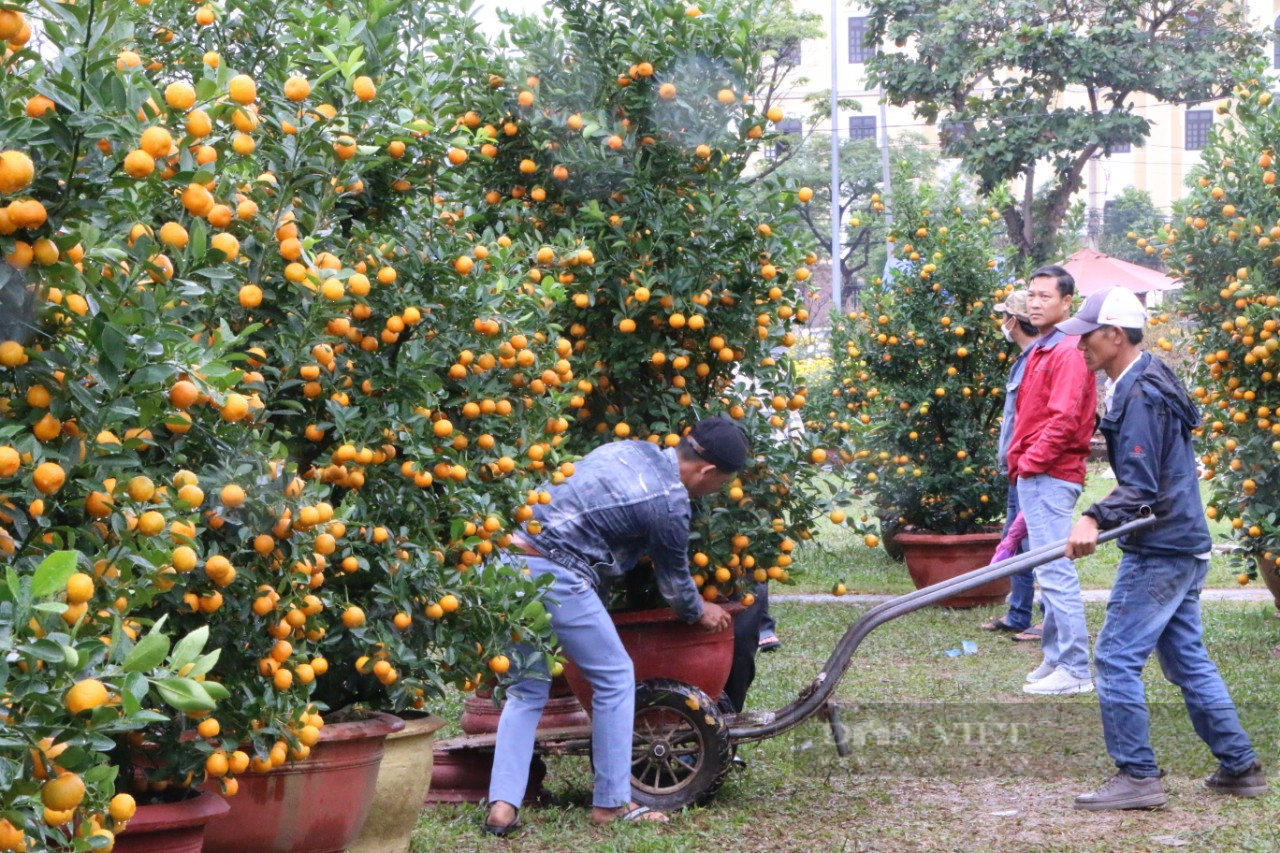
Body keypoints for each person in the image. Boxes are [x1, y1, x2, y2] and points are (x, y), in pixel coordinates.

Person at [482, 417, 746, 836]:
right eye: (720, 485)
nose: (714, 492)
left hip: (507, 561)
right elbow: (676, 584)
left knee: (527, 689)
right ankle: (611, 804)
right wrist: (701, 611)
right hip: (556, 573)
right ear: (707, 471)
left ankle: (502, 805)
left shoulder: (628, 449)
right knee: (615, 677)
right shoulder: (669, 500)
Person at [1061, 287, 1267, 810]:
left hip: (1161, 548)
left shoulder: (1141, 393)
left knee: (1114, 658)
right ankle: (1240, 766)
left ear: (1113, 334)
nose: (1079, 343)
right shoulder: (1146, 378)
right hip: (1182, 541)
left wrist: (1092, 515)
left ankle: (1137, 776)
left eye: (1087, 334)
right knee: (1186, 660)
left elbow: (1140, 486)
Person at [1005, 265, 1097, 696]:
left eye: (1045, 296)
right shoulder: (1044, 347)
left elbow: (1063, 420)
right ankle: (1056, 656)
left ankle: (1076, 668)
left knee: (1057, 572)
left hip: (1050, 474)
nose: (1035, 303)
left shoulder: (1067, 351)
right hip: (1036, 473)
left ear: (1066, 303)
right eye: (1031, 295)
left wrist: (1030, 463)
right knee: (1047, 568)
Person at [979, 289, 1043, 641]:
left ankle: (1049, 617)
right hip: (1017, 468)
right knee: (1015, 542)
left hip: (1033, 468)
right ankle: (1019, 613)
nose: (1001, 323)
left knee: (1038, 544)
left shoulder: (1038, 358)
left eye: (1004, 316)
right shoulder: (1023, 359)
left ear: (1014, 321)